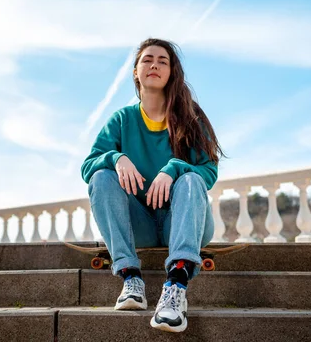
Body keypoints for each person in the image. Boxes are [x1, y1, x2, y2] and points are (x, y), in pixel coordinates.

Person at [80, 38, 224, 333]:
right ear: (136, 71)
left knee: (191, 178)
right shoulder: (122, 119)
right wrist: (116, 157)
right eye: (147, 59)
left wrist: (173, 169)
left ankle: (176, 288)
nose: (154, 65)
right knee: (101, 176)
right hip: (141, 224)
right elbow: (87, 166)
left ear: (172, 72)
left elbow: (208, 172)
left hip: (183, 223)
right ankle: (131, 278)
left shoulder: (190, 118)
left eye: (162, 60)